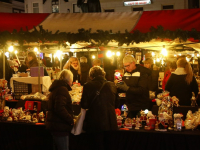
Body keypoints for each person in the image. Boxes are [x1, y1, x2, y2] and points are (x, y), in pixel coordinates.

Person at [81, 66, 118, 150]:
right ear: (103, 75)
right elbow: (117, 103)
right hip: (110, 121)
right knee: (109, 145)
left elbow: (84, 105)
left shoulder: (87, 86)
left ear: (91, 76)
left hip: (95, 122)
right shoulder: (112, 85)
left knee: (97, 145)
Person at [46, 69, 74, 150]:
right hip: (60, 127)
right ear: (69, 80)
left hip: (55, 125)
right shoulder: (62, 89)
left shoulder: (56, 88)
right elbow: (59, 108)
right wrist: (70, 120)